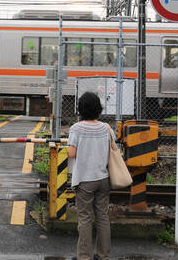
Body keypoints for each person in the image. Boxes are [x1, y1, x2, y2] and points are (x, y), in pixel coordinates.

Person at [68, 92, 111, 260]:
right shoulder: (105, 127)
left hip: (85, 180)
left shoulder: (76, 128)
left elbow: (72, 153)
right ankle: (103, 255)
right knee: (102, 217)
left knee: (85, 219)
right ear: (98, 108)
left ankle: (84, 257)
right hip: (103, 178)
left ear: (81, 109)